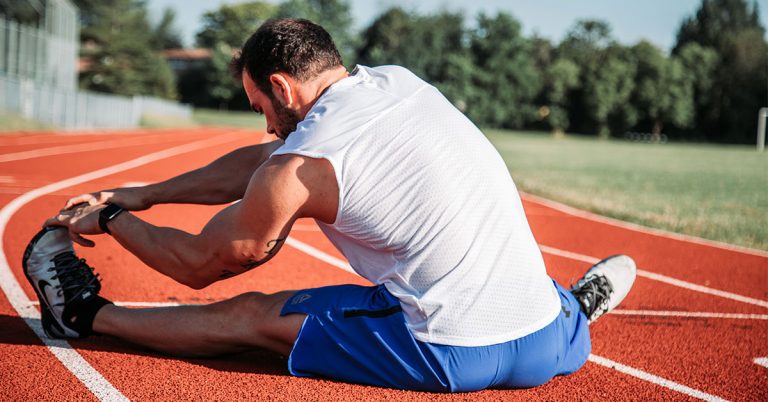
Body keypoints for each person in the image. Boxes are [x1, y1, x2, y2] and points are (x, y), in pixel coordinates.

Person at [24, 18, 636, 392]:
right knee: (504, 264)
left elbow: (201, 262)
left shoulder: (299, 165)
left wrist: (111, 217)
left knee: (249, 316)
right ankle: (575, 311)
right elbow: (266, 163)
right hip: (543, 344)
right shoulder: (396, 82)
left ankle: (82, 316)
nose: (263, 124)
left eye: (259, 106)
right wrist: (145, 194)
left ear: (283, 88)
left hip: (448, 349)